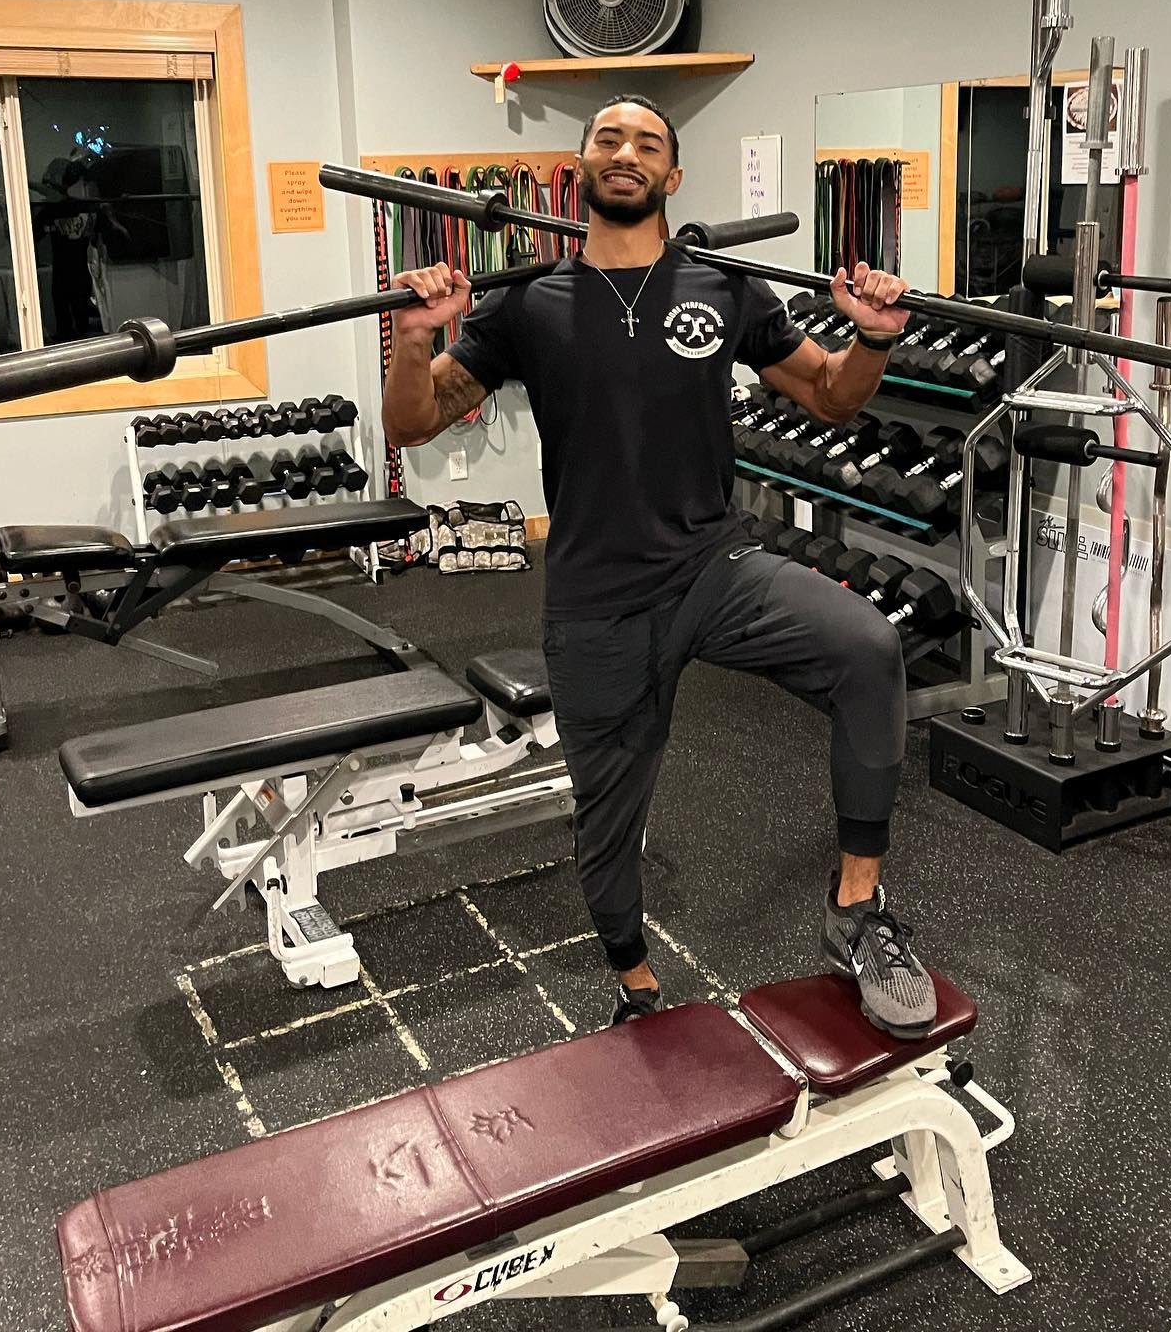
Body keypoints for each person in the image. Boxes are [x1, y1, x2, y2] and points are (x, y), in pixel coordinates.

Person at [382, 95, 936, 1038]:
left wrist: (872, 337)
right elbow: (412, 422)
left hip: (714, 569)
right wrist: (413, 336)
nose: (627, 152)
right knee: (607, 823)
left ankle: (857, 913)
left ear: (673, 176)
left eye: (648, 142)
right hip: (596, 597)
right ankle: (635, 984)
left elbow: (834, 397)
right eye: (609, 139)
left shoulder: (724, 291)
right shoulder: (528, 303)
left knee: (867, 646)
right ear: (582, 165)